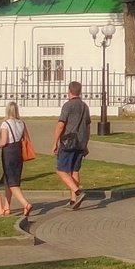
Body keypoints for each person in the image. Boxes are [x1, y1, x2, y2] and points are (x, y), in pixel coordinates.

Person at [53, 80, 91, 209]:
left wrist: (55, 142)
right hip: (81, 142)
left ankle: (78, 192)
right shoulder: (85, 106)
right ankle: (73, 201)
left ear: (69, 91)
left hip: (69, 142)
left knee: (61, 170)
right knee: (74, 170)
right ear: (80, 92)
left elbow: (61, 124)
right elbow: (88, 126)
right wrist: (86, 143)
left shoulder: (67, 106)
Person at [0, 102, 33, 218]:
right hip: (18, 151)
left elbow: (4, 141)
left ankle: (25, 203)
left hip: (8, 152)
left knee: (12, 181)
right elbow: (26, 138)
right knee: (10, 180)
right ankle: (7, 207)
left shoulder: (5, 124)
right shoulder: (22, 123)